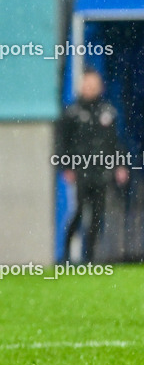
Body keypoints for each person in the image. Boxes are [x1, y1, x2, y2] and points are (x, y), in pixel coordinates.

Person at [57, 69, 129, 264]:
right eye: (86, 85)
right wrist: (67, 167)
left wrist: (120, 165)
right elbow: (63, 143)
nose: (90, 89)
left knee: (97, 214)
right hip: (81, 170)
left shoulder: (108, 112)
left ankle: (90, 256)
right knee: (79, 211)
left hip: (101, 171)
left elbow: (115, 142)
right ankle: (65, 255)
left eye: (93, 85)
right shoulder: (72, 113)